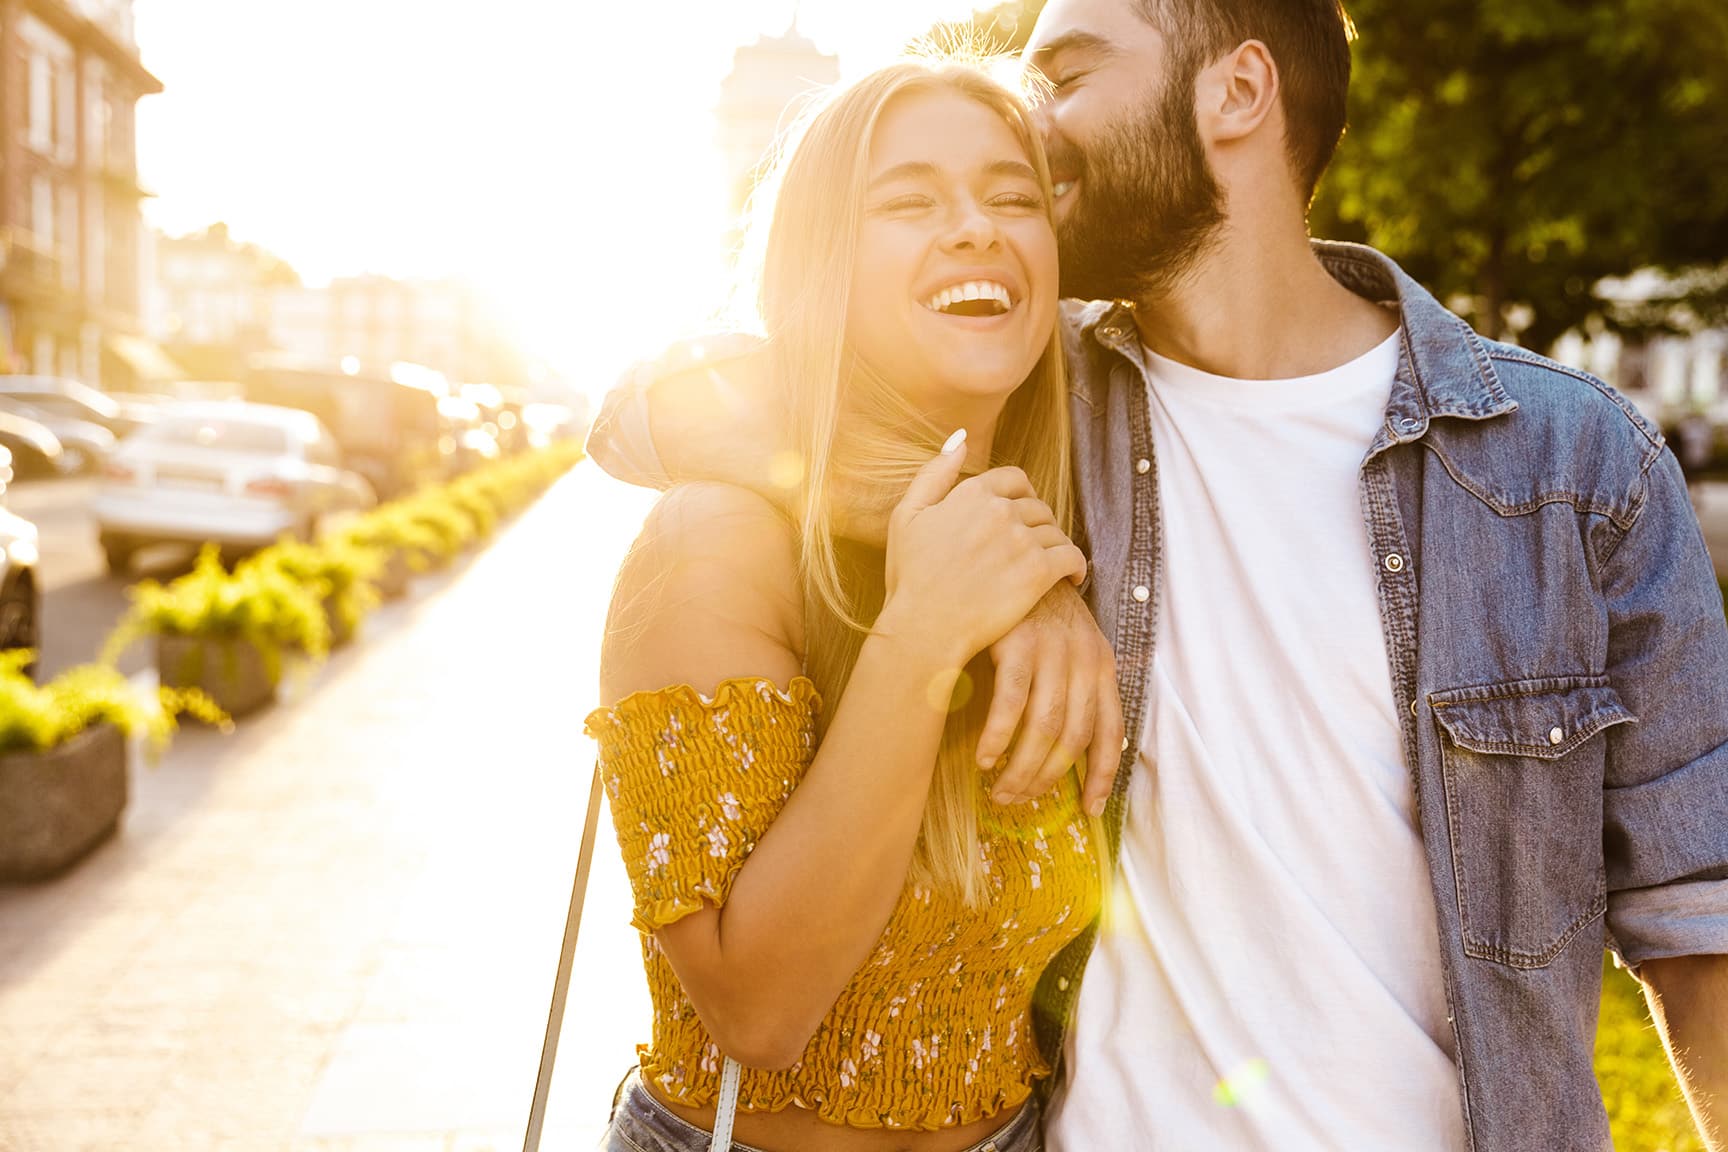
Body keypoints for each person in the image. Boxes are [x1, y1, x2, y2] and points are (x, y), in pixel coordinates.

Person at [588, 0, 1728, 1148]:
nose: (1038, 128)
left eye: (1070, 76)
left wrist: (1001, 571)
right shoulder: (1043, 401)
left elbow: (1702, 918)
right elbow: (651, 410)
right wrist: (998, 572)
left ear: (1238, 92)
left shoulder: (1570, 462)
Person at [586, 57, 1114, 1152]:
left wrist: (1021, 573)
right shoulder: (718, 543)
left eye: (1013, 197)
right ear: (823, 258)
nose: (975, 227)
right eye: (909, 201)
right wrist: (927, 630)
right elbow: (757, 1011)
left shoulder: (1088, 498)